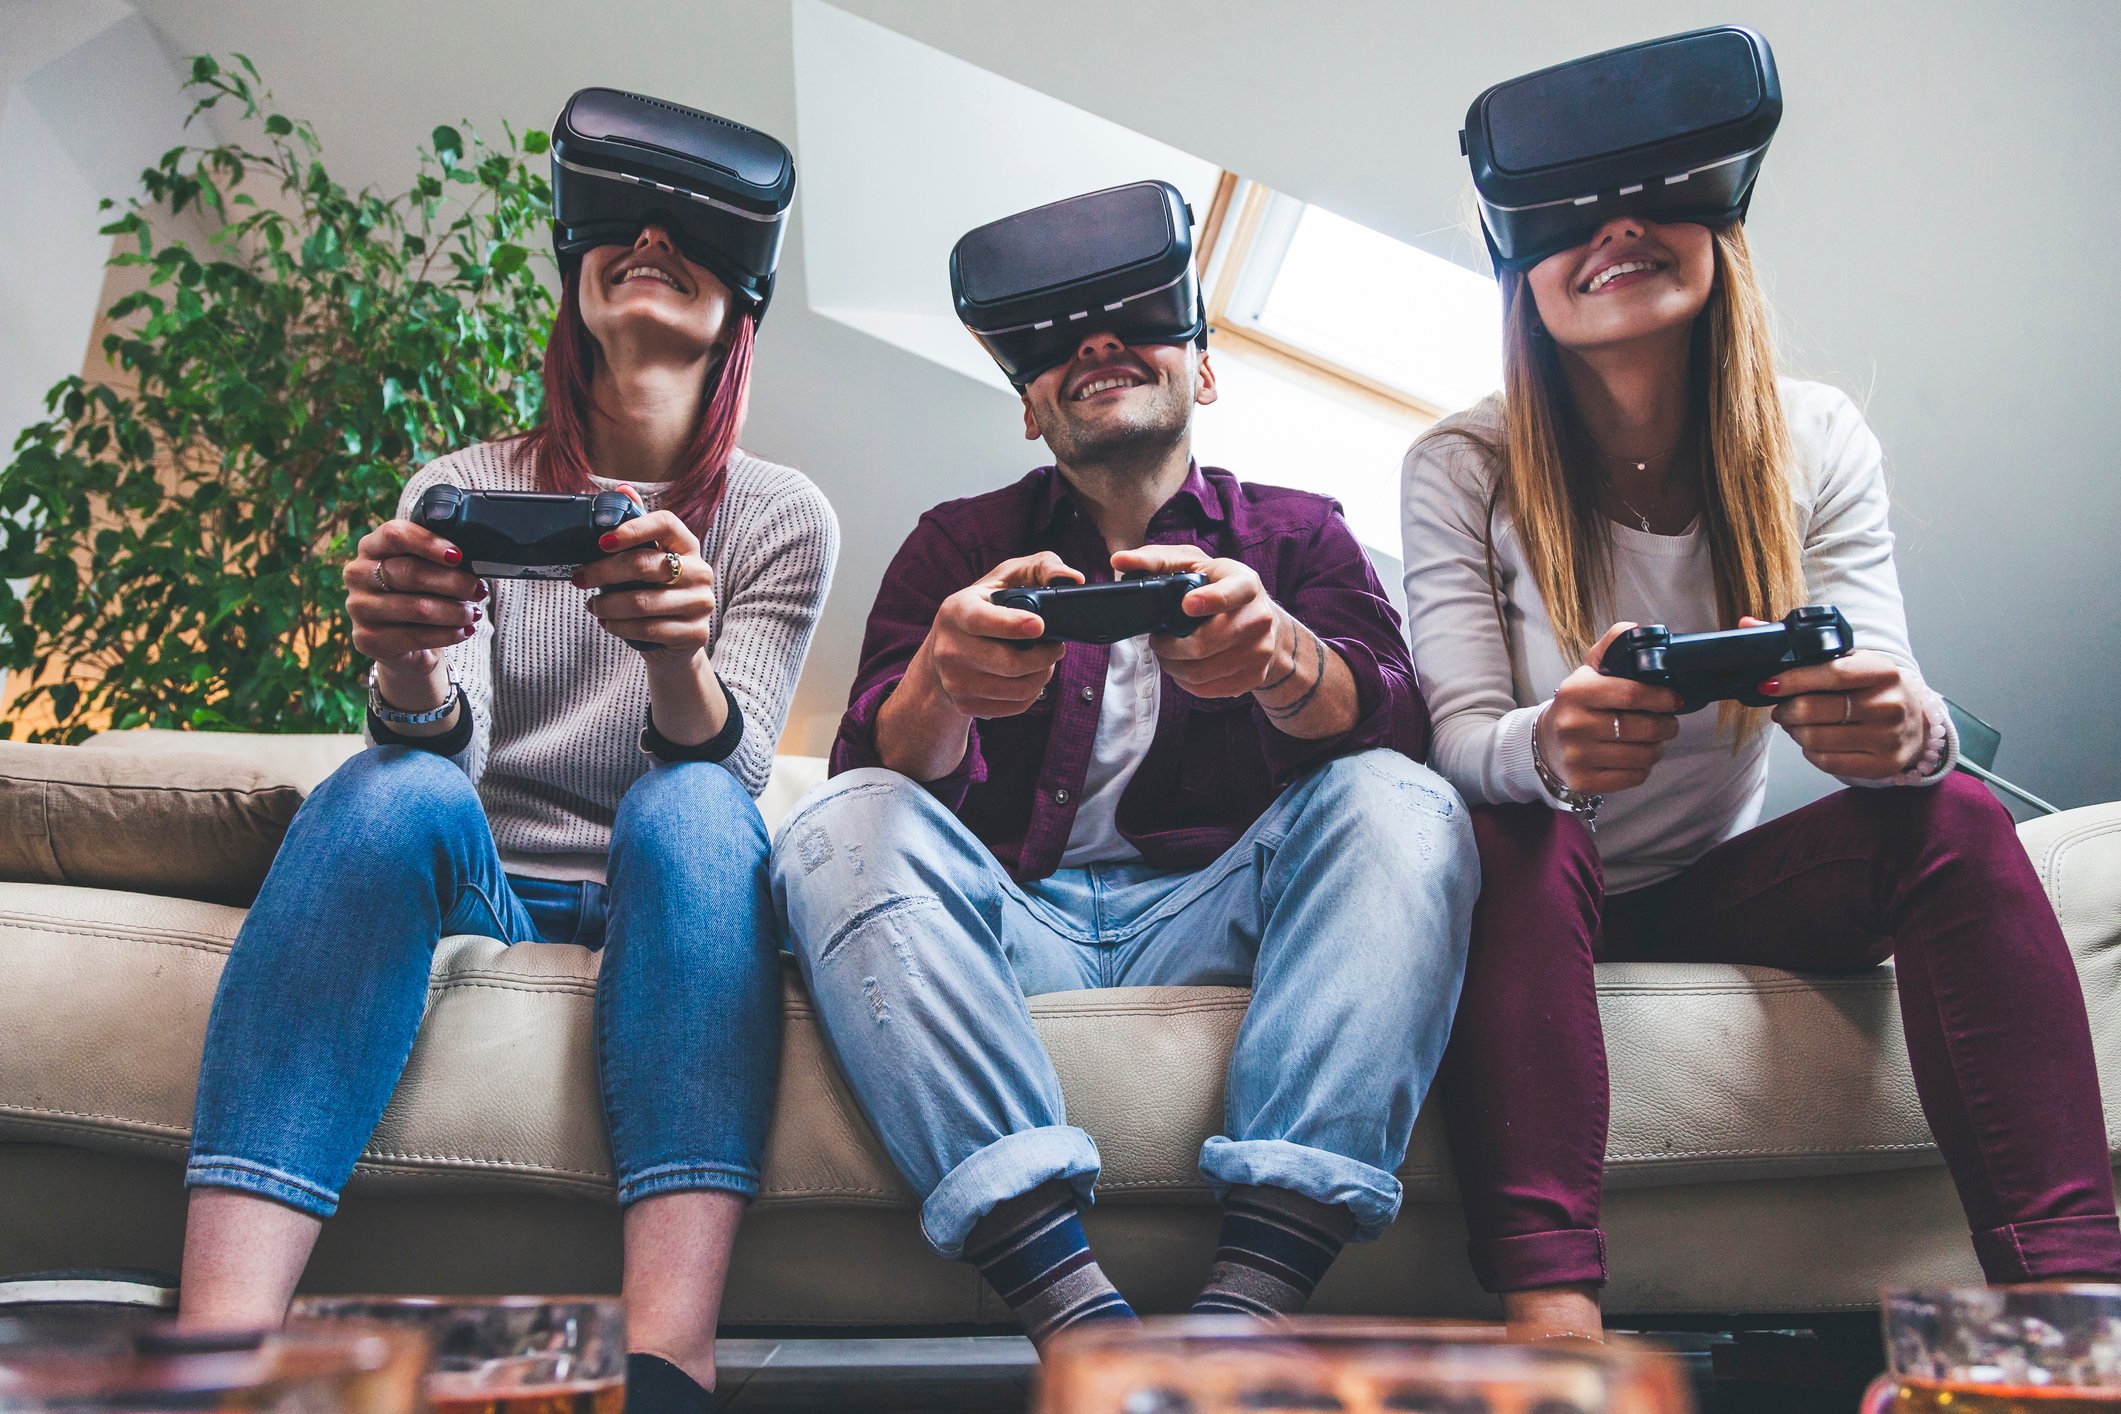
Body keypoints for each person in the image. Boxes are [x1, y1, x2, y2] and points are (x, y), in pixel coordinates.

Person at [773, 184, 1476, 1350]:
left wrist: (1286, 662)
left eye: (1135, 318)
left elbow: (1398, 733)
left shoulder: (1300, 534)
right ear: (1030, 408)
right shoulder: (957, 544)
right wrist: (940, 685)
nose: (1094, 343)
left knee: (1405, 799)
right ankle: (1076, 1317)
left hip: (1228, 912)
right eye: (1052, 341)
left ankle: (1245, 1317)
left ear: (1204, 368)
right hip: (1015, 922)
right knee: (833, 823)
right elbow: (870, 783)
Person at [1400, 204, 2121, 1337]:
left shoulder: (1814, 433)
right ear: (1517, 267)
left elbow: (1894, 680)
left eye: (1659, 189)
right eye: (1570, 211)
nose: (1619, 224)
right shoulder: (1462, 463)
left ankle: (2072, 1320)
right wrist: (1550, 746)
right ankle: (1558, 1335)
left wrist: (1902, 733)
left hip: (1706, 893)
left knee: (1956, 810)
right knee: (1510, 828)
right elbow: (1460, 737)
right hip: (1533, 894)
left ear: (1722, 223)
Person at [177, 210, 838, 1411]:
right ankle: (217, 1355)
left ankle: (666, 1364)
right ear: (571, 275)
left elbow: (728, 778)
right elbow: (451, 747)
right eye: (621, 216)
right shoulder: (460, 482)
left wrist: (676, 654)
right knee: (393, 786)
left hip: (665, 883)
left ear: (742, 304)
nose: (647, 231)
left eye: (690, 223)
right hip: (488, 871)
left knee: (690, 808)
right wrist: (410, 664)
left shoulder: (782, 513)